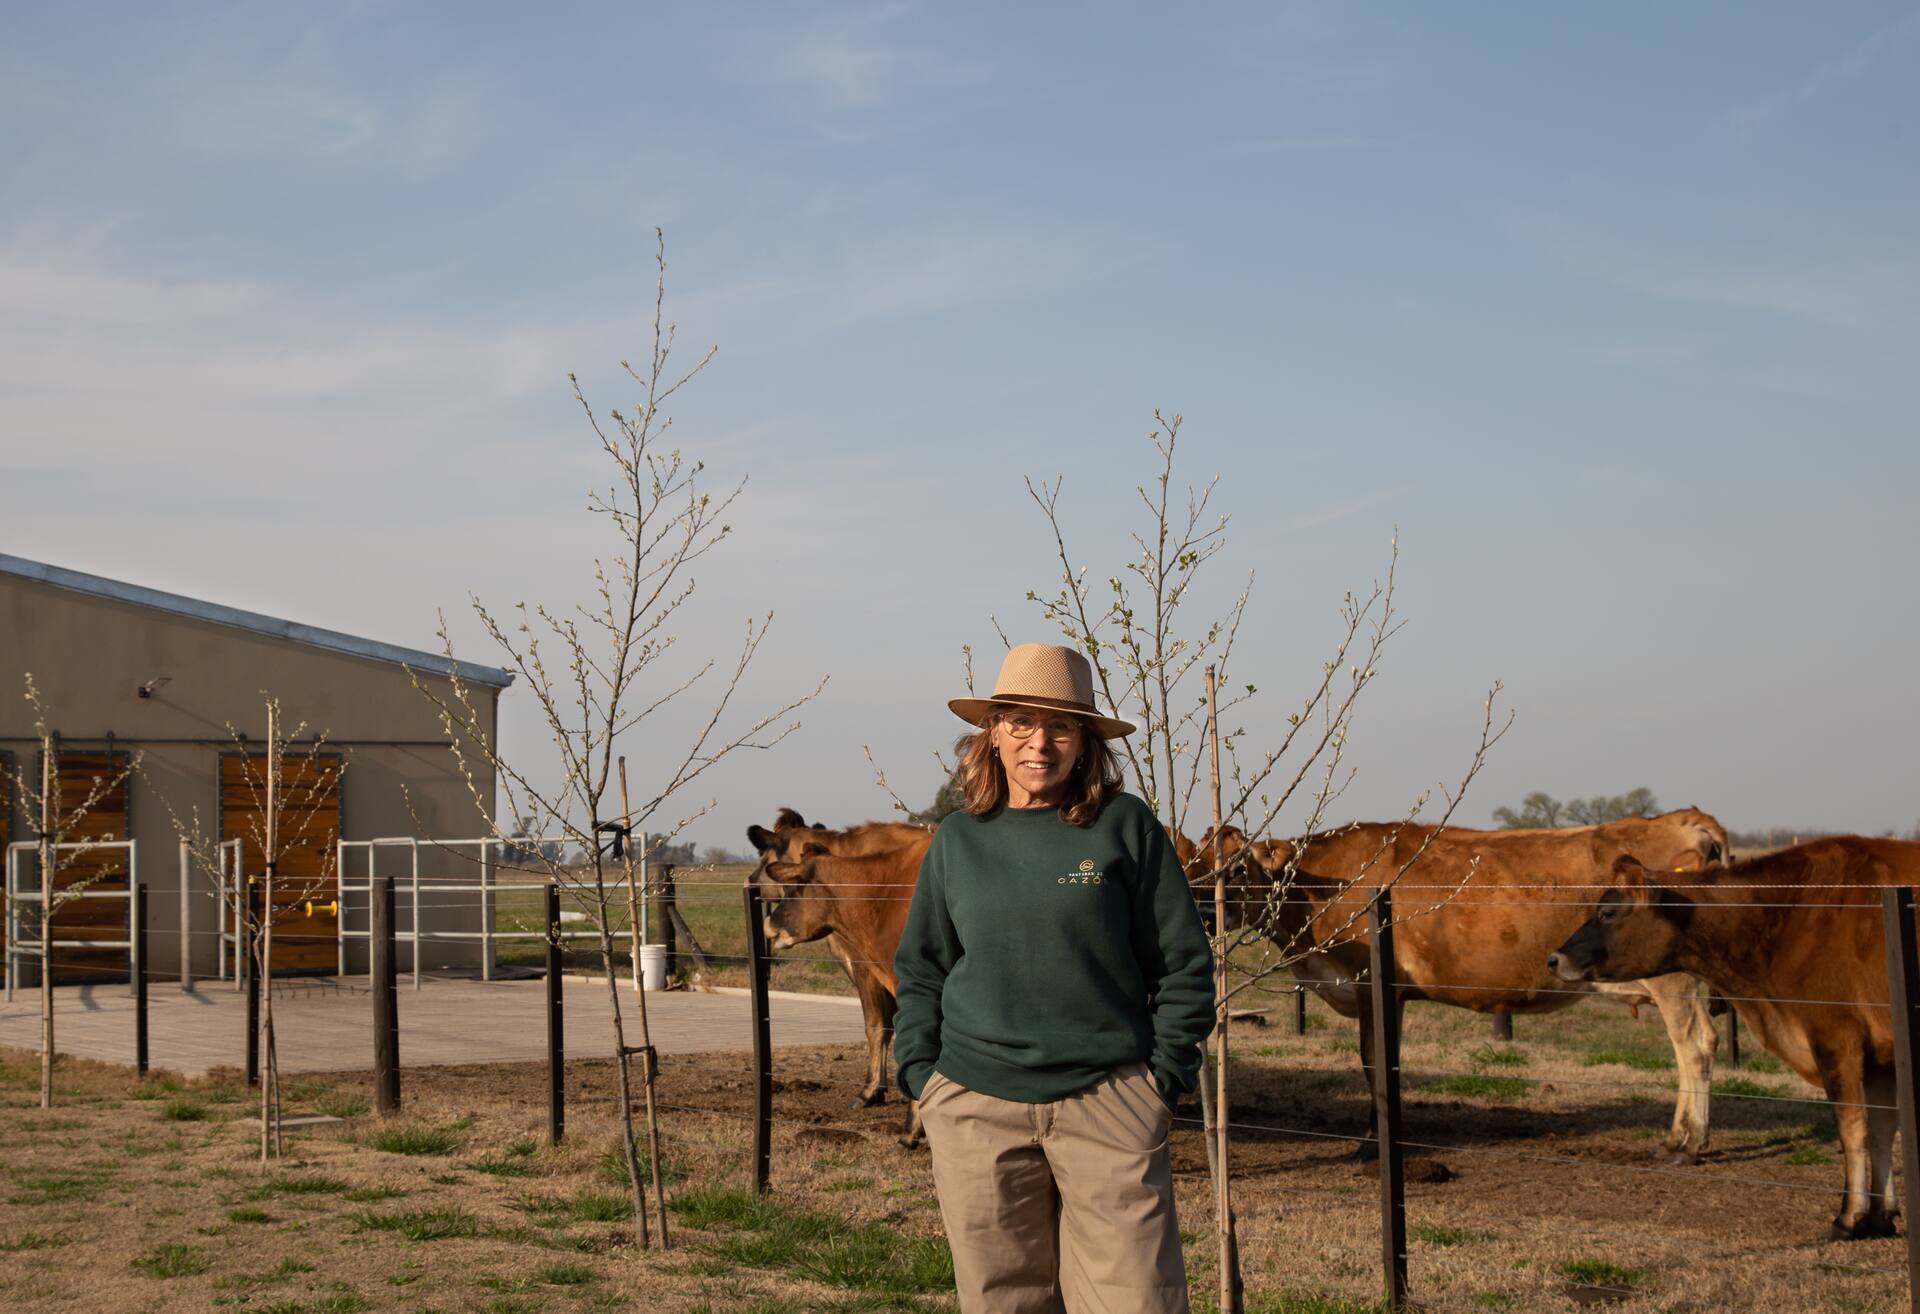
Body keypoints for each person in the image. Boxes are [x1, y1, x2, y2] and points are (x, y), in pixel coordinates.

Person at [893, 642, 1216, 1314]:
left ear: (1085, 743)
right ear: (994, 733)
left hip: (1110, 1101)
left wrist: (1162, 1079)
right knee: (1004, 1302)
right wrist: (923, 1077)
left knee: (1138, 1301)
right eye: (1021, 724)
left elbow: (1183, 963)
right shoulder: (957, 839)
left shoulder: (1125, 828)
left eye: (1061, 727)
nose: (1039, 744)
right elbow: (922, 968)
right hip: (976, 1108)